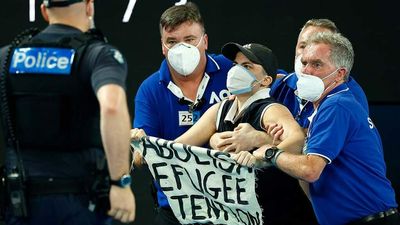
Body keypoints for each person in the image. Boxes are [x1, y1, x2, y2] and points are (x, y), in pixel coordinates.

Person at [131, 42, 306, 224]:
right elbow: (177, 147)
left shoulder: (271, 109)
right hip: (241, 217)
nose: (237, 71)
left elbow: (297, 139)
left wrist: (261, 157)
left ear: (266, 80)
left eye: (247, 66)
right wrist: (146, 144)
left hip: (278, 213)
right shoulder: (221, 109)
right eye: (236, 65)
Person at [0, 0, 135, 224]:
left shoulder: (7, 57)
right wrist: (120, 183)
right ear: (89, 7)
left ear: (44, 11)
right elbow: (112, 107)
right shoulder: (99, 54)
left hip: (21, 200)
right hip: (81, 203)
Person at [246, 32, 399, 225]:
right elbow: (310, 176)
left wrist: (271, 154)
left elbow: (310, 170)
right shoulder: (325, 107)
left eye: (317, 64)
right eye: (304, 63)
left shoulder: (337, 106)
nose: (306, 71)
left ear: (340, 73)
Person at [133, 2, 232, 225]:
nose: (181, 49)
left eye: (189, 40)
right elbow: (141, 154)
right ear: (162, 46)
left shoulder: (233, 70)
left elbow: (274, 80)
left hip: (232, 205)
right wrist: (139, 148)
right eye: (172, 42)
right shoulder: (149, 90)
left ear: (204, 41)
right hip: (176, 208)